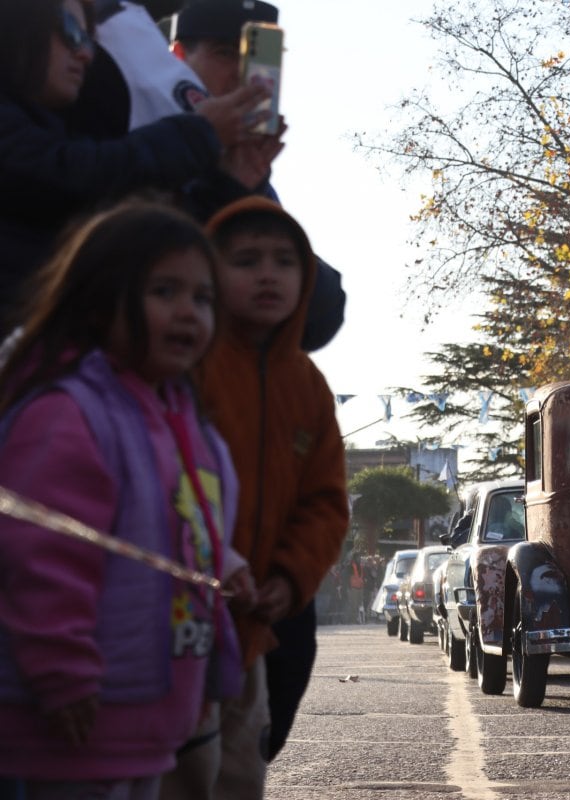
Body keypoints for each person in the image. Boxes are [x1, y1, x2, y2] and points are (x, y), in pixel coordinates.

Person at [0, 202, 254, 798]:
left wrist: (229, 566)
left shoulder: (179, 419)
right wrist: (62, 672)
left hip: (151, 715)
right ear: (96, 298)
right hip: (74, 720)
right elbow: (42, 555)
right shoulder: (69, 414)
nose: (188, 312)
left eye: (203, 297)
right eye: (164, 290)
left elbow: (174, 528)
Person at [160, 196, 348, 798]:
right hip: (180, 616)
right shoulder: (187, 366)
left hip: (265, 619)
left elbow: (326, 501)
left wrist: (292, 578)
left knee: (243, 770)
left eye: (284, 262)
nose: (268, 274)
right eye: (245, 260)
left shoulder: (309, 386)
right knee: (180, 773)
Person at [0, 0, 271, 333]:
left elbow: (155, 239)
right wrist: (200, 134)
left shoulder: (55, 131)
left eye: (89, 38)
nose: (86, 53)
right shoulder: (48, 145)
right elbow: (69, 178)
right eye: (72, 33)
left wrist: (231, 187)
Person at [162, 0, 345, 353]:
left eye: (258, 60)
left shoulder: (250, 173)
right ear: (179, 55)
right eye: (226, 53)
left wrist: (249, 191)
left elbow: (321, 316)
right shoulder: (147, 144)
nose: (243, 75)